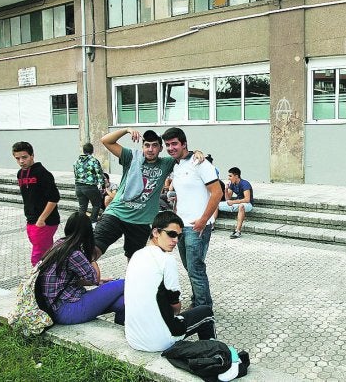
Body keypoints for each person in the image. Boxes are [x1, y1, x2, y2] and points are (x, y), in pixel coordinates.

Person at [124, 211, 216, 352]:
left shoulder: (136, 255)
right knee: (206, 312)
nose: (176, 240)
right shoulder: (166, 260)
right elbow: (175, 307)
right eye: (171, 234)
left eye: (179, 236)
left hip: (133, 338)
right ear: (156, 232)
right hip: (159, 341)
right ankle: (213, 353)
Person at [92, 128, 175, 261]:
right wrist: (126, 130)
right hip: (117, 213)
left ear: (160, 148)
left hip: (141, 221)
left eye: (154, 145)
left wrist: (197, 153)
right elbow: (106, 141)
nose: (150, 149)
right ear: (142, 147)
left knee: (135, 261)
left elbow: (184, 155)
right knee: (93, 250)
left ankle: (132, 282)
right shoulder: (131, 157)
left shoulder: (166, 163)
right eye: (147, 145)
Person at [162, 127, 222, 308]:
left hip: (198, 226)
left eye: (174, 144)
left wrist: (204, 220)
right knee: (190, 267)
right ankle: (198, 299)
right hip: (181, 226)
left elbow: (217, 193)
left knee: (196, 269)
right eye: (167, 145)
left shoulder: (200, 163)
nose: (171, 148)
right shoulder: (175, 165)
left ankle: (204, 308)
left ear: (184, 144)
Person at [37, 212, 125, 325]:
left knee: (123, 302)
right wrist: (92, 257)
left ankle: (121, 331)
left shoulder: (60, 244)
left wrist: (102, 282)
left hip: (56, 308)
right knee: (125, 283)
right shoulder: (74, 253)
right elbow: (95, 278)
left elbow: (70, 281)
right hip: (67, 310)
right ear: (88, 231)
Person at [12, 141, 61, 266]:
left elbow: (54, 198)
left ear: (32, 155)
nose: (21, 161)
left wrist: (41, 219)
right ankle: (52, 277)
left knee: (37, 256)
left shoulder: (42, 173)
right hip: (31, 219)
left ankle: (36, 281)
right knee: (46, 252)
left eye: (24, 157)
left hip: (45, 221)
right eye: (17, 158)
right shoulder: (20, 173)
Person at [218, 167, 254, 239]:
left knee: (241, 206)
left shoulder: (245, 184)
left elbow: (247, 199)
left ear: (236, 176)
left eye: (230, 176)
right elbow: (228, 199)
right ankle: (211, 226)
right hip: (237, 203)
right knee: (215, 204)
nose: (228, 178)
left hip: (248, 205)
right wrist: (226, 189)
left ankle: (237, 231)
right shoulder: (232, 184)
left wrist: (233, 202)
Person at [73, 142, 105, 223]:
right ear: (92, 151)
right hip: (90, 187)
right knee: (96, 204)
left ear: (83, 151)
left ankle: (80, 224)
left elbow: (76, 173)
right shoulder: (93, 161)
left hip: (78, 187)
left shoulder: (77, 161)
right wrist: (103, 185)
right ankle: (92, 222)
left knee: (82, 207)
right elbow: (99, 174)